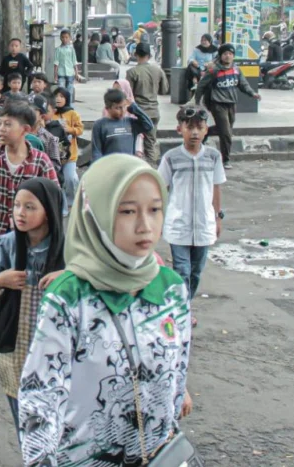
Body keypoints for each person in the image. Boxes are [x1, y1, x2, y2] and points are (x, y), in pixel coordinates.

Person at [19, 155, 193, 465]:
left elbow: (176, 377)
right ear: (96, 213)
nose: (145, 225)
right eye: (127, 211)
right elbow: (41, 396)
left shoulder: (171, 288)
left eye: (154, 209)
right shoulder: (70, 298)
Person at [0, 178, 66, 434]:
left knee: (54, 417)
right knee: (22, 417)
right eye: (17, 205)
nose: (20, 213)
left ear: (49, 211)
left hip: (54, 347)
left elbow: (90, 281)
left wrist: (67, 276)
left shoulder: (67, 250)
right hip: (14, 342)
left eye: (30, 207)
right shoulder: (5, 245)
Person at [159, 106, 225, 327]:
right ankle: (182, 311)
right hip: (178, 224)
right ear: (180, 129)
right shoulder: (171, 158)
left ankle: (182, 303)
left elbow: (216, 188)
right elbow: (161, 188)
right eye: (190, 128)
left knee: (196, 272)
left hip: (204, 223)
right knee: (182, 270)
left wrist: (218, 217)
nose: (194, 132)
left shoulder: (213, 157)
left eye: (199, 127)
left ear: (206, 130)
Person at [0, 101, 58, 244]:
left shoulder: (40, 161)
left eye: (7, 124)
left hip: (28, 231)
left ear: (25, 130)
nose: (1, 129)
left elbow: (54, 196)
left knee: (22, 265)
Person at [197, 43, 260, 169]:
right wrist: (196, 102)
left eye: (230, 54)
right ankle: (225, 160)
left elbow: (243, 84)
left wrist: (252, 93)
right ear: (220, 56)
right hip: (217, 103)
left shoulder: (236, 70)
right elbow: (201, 85)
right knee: (226, 132)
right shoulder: (213, 70)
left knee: (226, 129)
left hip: (231, 103)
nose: (228, 56)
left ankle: (206, 132)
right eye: (225, 54)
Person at [124, 41, 168, 166]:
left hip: (137, 113)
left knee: (132, 143)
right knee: (150, 143)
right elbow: (164, 90)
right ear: (149, 55)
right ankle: (152, 170)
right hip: (153, 111)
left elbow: (128, 94)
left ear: (136, 54)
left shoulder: (132, 72)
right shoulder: (158, 71)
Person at [91, 87, 154, 162]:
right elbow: (96, 152)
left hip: (128, 168)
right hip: (110, 168)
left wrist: (134, 108)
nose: (122, 110)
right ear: (107, 108)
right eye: (118, 108)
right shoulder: (100, 125)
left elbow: (148, 125)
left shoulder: (130, 123)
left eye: (124, 106)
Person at [52, 87, 83, 216]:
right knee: (58, 181)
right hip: (55, 154)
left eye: (62, 96)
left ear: (67, 99)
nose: (58, 99)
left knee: (70, 179)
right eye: (56, 96)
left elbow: (80, 129)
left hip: (70, 154)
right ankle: (63, 207)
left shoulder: (72, 113)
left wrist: (70, 129)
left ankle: (71, 203)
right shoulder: (51, 113)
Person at [183, 33, 218, 104]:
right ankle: (195, 78)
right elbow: (190, 58)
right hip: (197, 68)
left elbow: (216, 60)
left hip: (207, 69)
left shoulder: (214, 50)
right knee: (190, 66)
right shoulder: (197, 49)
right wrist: (193, 61)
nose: (203, 42)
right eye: (202, 40)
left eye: (205, 40)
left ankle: (196, 79)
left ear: (210, 41)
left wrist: (210, 63)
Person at [52, 29, 79, 98]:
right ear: (60, 38)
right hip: (61, 73)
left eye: (66, 37)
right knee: (61, 89)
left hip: (70, 73)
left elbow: (74, 61)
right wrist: (55, 75)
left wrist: (76, 73)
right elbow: (56, 63)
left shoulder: (71, 49)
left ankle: (69, 105)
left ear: (70, 38)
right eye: (63, 37)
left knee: (69, 91)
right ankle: (62, 104)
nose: (64, 39)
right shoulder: (58, 49)